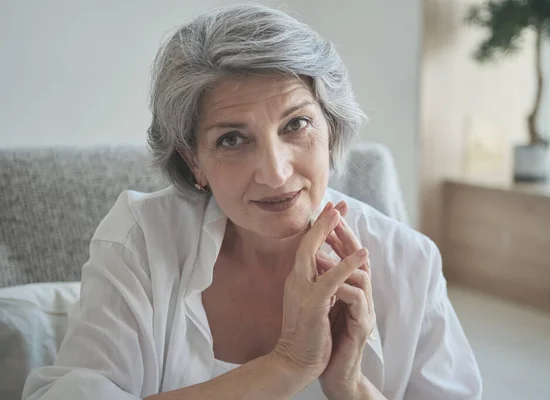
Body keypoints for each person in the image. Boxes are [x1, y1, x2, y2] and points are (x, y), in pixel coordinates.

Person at [22, 4, 481, 400]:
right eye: (232, 139)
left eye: (296, 125)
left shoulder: (410, 261)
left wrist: (351, 385)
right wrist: (286, 365)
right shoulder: (141, 239)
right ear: (193, 163)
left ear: (332, 130)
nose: (276, 173)